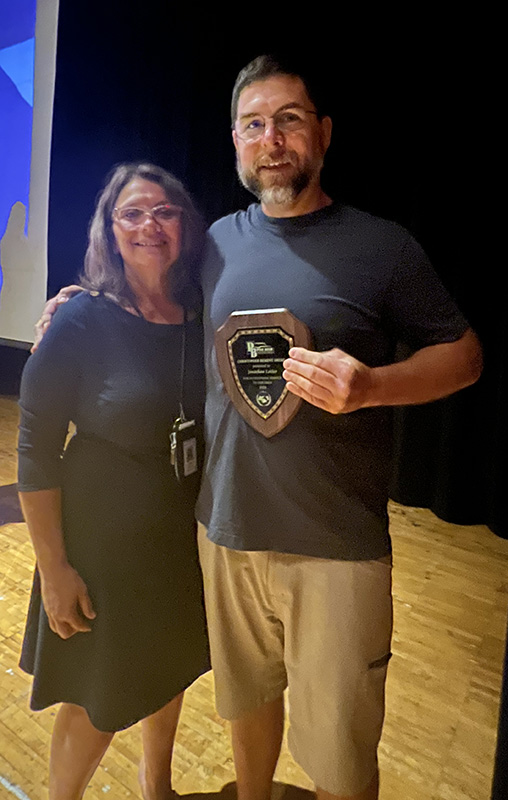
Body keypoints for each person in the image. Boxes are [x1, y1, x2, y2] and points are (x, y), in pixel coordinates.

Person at [36, 56, 483, 800]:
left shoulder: (383, 246)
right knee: (248, 716)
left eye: (289, 120)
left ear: (323, 133)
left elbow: (465, 356)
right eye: (253, 125)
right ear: (236, 142)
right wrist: (83, 298)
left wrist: (373, 386)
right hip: (225, 534)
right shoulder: (212, 245)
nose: (270, 139)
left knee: (341, 749)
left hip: (335, 547)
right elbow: (149, 297)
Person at [18, 162, 210, 800]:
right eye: (131, 212)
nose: (149, 225)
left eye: (163, 210)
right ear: (109, 228)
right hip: (99, 545)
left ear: (184, 224)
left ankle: (157, 784)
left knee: (170, 665)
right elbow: (36, 451)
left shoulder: (201, 314)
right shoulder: (80, 320)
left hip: (181, 538)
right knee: (93, 695)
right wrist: (53, 569)